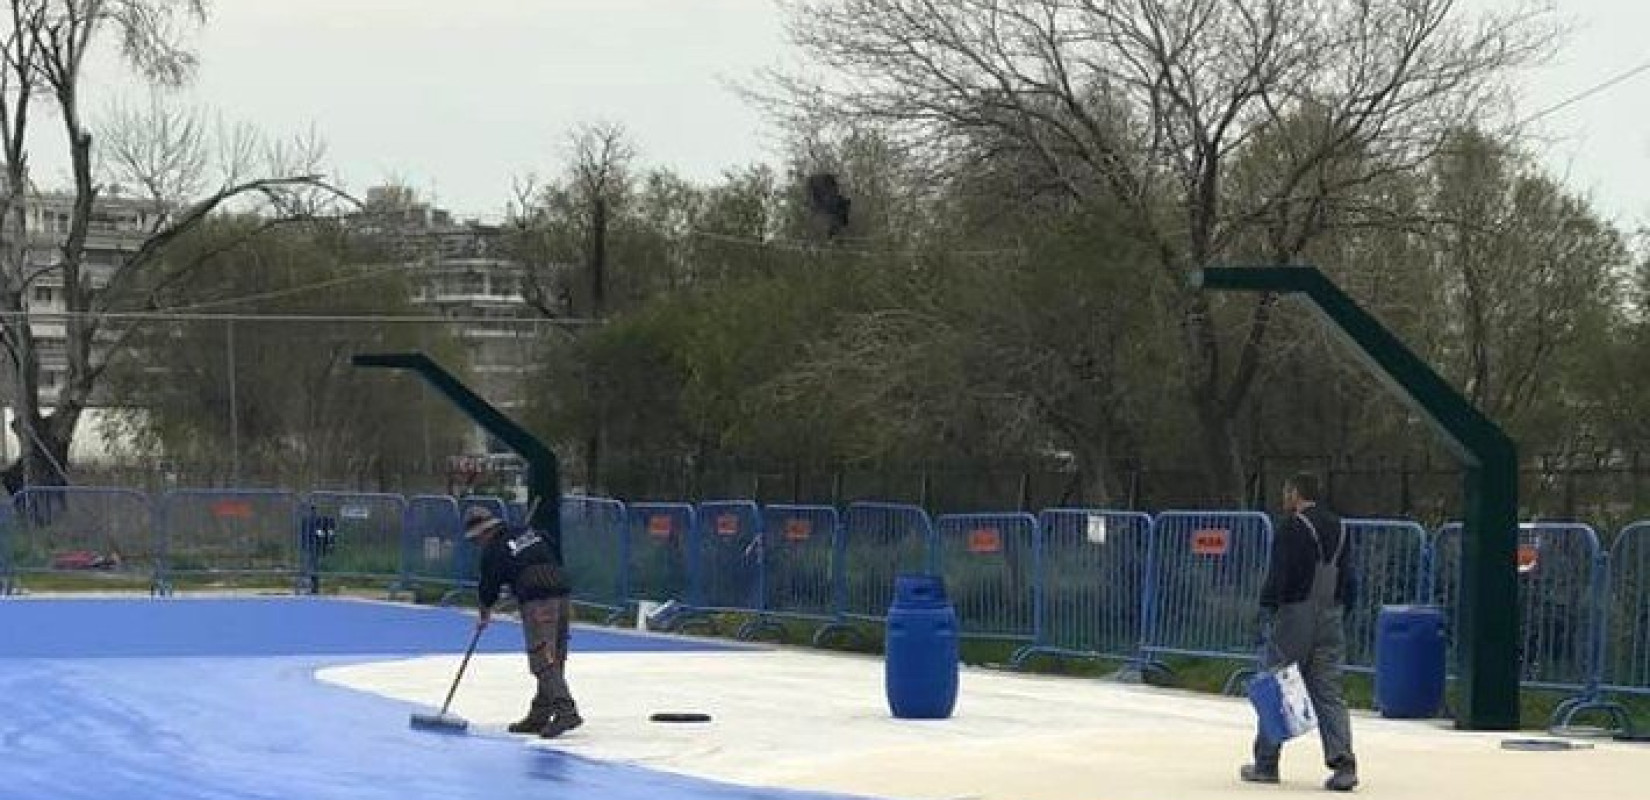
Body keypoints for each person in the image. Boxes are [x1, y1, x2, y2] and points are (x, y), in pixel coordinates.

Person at [1242, 472, 1359, 792]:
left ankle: (1266, 763)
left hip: (1295, 614)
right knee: (1328, 691)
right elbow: (1349, 578)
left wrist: (1266, 608)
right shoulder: (1341, 527)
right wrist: (1343, 610)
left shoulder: (1293, 527)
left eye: (1286, 492)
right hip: (1331, 614)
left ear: (1295, 493)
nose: (1284, 498)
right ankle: (1343, 764)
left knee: (1277, 684)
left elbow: (1280, 574)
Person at [465, 505, 583, 738]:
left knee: (542, 659)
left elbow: (488, 587)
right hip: (561, 591)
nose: (477, 544)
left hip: (538, 599)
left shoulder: (494, 549)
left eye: (476, 539)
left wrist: (484, 613)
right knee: (555, 657)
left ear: (484, 532)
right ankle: (540, 715)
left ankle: (566, 710)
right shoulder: (530, 533)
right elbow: (554, 553)